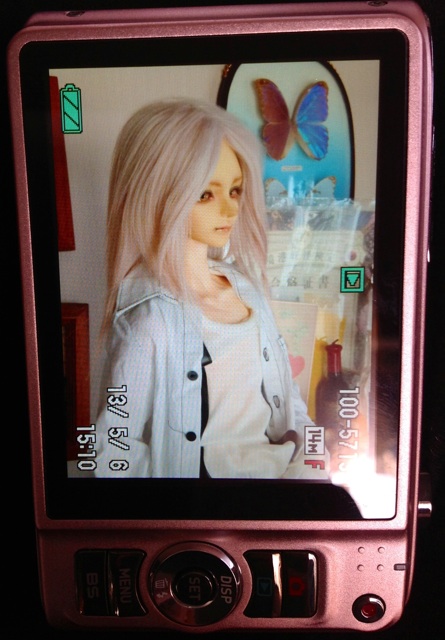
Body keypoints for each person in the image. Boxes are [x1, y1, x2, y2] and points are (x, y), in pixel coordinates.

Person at [94, 98, 328, 479]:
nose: (230, 210)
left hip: (280, 485)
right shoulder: (151, 321)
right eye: (206, 194)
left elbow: (292, 406)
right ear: (158, 195)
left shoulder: (248, 292)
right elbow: (112, 447)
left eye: (235, 190)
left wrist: (314, 468)